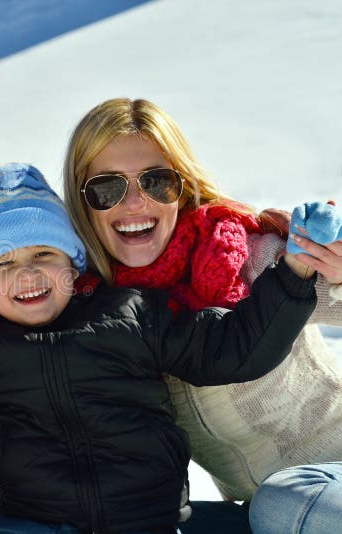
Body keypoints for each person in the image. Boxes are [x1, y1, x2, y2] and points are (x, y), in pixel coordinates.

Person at [0, 162, 317, 534]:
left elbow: (232, 350)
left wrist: (292, 273)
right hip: (31, 524)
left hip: (150, 522)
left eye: (44, 252)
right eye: (0, 264)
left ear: (74, 266)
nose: (26, 273)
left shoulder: (131, 313)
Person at [61, 97, 342, 534]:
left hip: (319, 491)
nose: (135, 203)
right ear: (83, 204)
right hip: (260, 515)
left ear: (183, 186)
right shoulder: (93, 314)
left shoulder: (255, 257)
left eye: (156, 181)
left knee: (286, 503)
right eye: (107, 188)